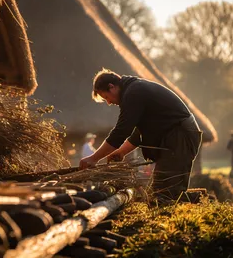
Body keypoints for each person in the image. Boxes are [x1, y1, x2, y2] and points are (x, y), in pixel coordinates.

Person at [79, 69, 202, 202]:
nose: (109, 102)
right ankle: (201, 199)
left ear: (112, 87)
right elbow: (138, 133)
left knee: (164, 194)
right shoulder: (133, 91)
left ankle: (203, 201)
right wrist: (121, 152)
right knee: (162, 192)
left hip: (180, 136)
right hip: (176, 136)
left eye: (107, 97)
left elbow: (121, 131)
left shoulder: (134, 93)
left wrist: (94, 158)